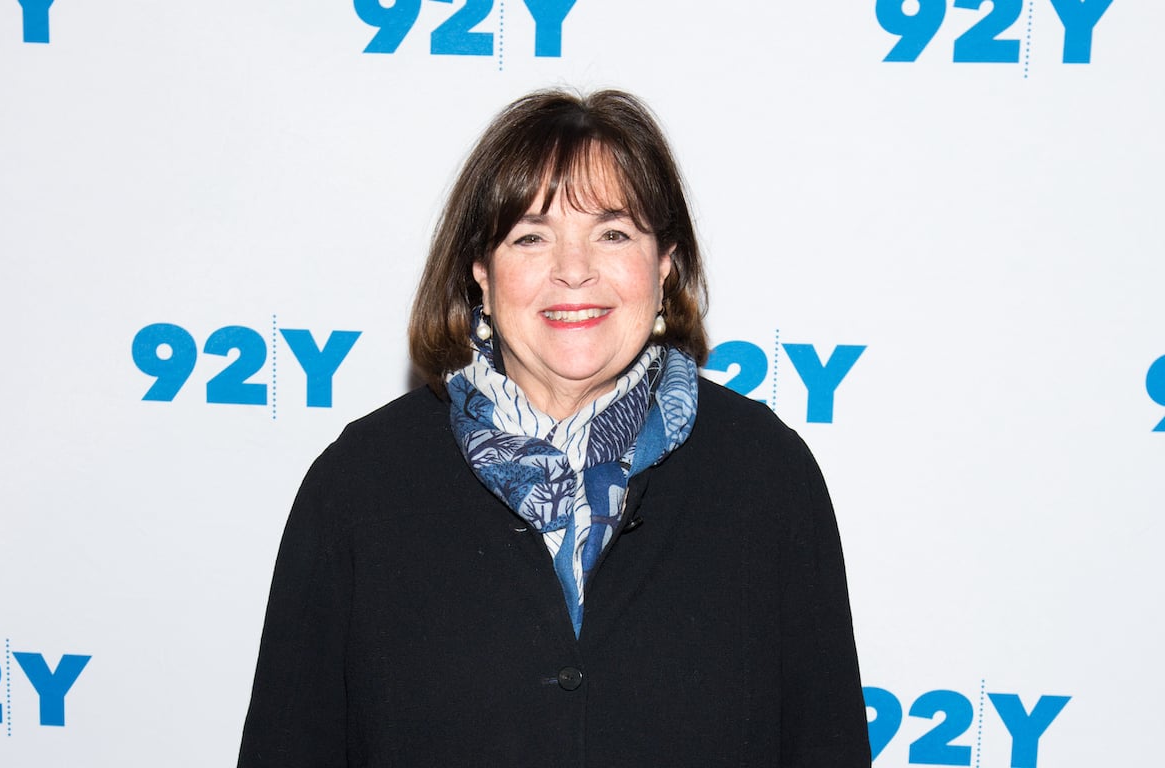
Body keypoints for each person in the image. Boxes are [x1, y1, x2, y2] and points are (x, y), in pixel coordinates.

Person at [237, 89, 870, 767]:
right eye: (532, 236)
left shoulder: (766, 476)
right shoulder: (360, 485)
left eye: (614, 233)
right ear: (480, 271)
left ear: (664, 265)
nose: (574, 271)